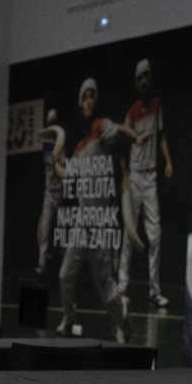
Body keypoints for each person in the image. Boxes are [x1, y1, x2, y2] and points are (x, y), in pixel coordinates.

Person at [58, 77, 142, 342]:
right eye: (84, 97)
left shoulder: (100, 127)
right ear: (79, 102)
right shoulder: (80, 146)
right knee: (64, 276)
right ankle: (69, 317)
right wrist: (53, 161)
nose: (88, 101)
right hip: (82, 223)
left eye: (92, 96)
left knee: (104, 285)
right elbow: (67, 174)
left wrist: (137, 137)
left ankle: (122, 322)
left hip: (101, 224)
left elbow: (120, 130)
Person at [116, 59, 174, 308]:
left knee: (155, 235)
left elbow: (161, 137)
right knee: (130, 235)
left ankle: (154, 291)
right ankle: (121, 287)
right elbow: (120, 144)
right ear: (136, 81)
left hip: (150, 178)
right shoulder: (131, 113)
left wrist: (168, 161)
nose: (144, 81)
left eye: (147, 76)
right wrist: (125, 172)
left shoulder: (157, 105)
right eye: (140, 77)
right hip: (135, 178)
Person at [33, 108, 66, 277]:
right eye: (49, 123)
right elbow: (48, 165)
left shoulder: (61, 145)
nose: (51, 125)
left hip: (60, 194)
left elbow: (62, 168)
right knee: (44, 228)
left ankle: (65, 264)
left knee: (61, 230)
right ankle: (42, 264)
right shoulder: (47, 145)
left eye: (54, 122)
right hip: (48, 193)